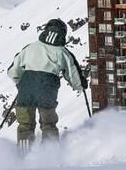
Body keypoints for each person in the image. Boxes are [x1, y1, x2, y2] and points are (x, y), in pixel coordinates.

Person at [7, 19, 87, 150]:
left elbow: (13, 71)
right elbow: (73, 74)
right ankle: (50, 154)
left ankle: (23, 155)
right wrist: (80, 86)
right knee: (48, 124)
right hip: (47, 90)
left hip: (26, 88)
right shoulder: (63, 52)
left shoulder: (30, 47)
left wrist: (20, 83)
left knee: (25, 125)